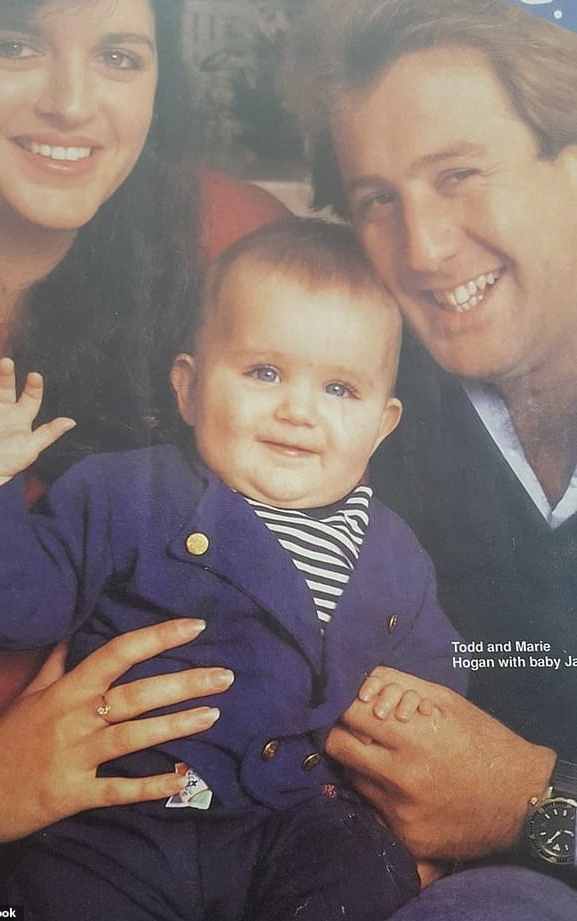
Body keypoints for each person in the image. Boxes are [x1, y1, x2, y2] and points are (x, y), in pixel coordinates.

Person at [0, 219, 464, 920]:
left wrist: (414, 702)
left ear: (382, 423)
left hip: (297, 818)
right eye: (265, 372)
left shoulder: (394, 553)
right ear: (188, 389)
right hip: (126, 813)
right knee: (66, 891)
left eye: (340, 389)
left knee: (364, 876)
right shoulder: (127, 492)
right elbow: (13, 610)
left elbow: (434, 678)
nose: (298, 410)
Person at [0, 0, 287, 900]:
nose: (71, 102)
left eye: (121, 57)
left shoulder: (237, 243)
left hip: (225, 821)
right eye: (12, 43)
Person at [281, 0, 577, 916]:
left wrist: (534, 802)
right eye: (378, 198)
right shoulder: (357, 409)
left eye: (458, 174)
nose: (423, 248)